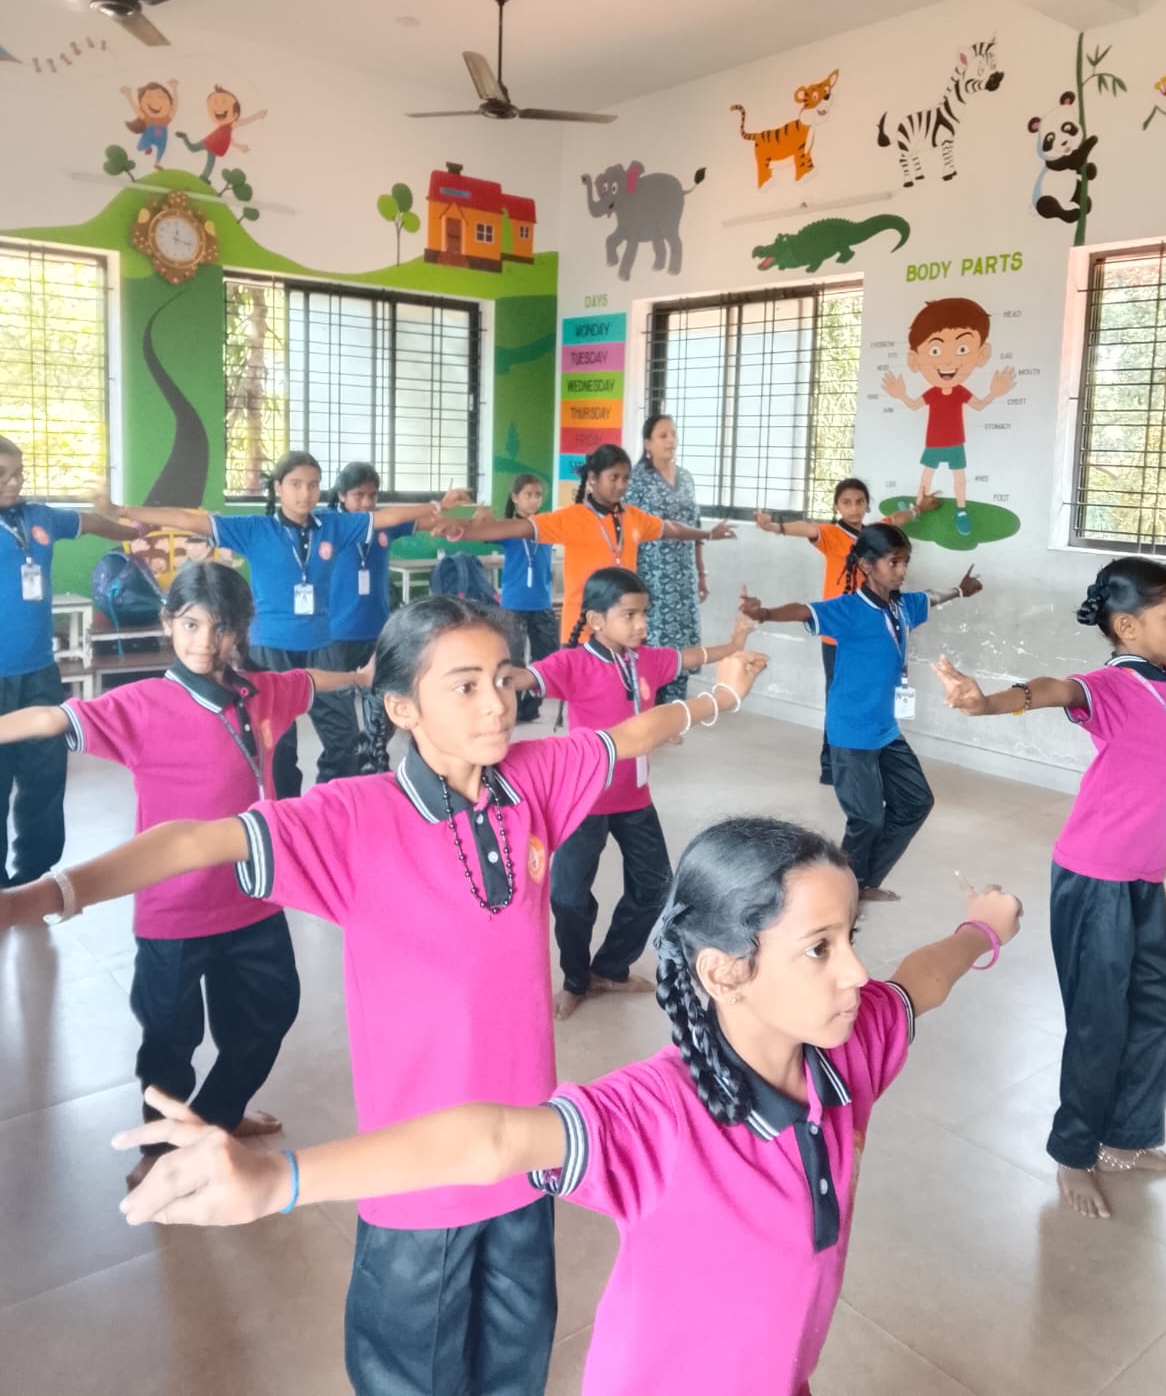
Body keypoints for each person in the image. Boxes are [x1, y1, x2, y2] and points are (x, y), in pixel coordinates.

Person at [2, 596, 766, 1396]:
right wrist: (42, 897)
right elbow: (194, 839)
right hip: (414, 1180)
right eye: (464, 686)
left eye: (503, 679)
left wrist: (723, 695)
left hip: (528, 1153)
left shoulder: (534, 780)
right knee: (412, 1374)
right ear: (402, 707)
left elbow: (622, 739)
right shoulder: (351, 818)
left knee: (515, 1363)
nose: (498, 702)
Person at [112, 818, 1023, 1396]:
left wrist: (983, 928)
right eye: (820, 948)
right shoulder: (660, 1116)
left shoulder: (845, 1056)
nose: (854, 970)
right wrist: (279, 1178)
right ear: (723, 970)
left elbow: (916, 983)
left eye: (851, 936)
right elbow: (493, 1137)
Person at [0, 560, 369, 1186]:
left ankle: (214, 1118)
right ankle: (161, 1153)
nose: (204, 642)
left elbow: (309, 678)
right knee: (170, 1040)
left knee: (269, 1012)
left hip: (258, 895)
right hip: (174, 912)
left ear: (242, 630)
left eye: (221, 628)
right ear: (170, 622)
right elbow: (47, 720)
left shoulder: (261, 691)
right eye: (191, 624)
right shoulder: (143, 704)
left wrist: (360, 675)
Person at [935, 555, 1166, 1221]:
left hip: (1141, 878)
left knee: (1162, 1003)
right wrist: (985, 701)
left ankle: (1127, 1136)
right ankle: (1073, 1154)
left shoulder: (1165, 674)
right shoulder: (1106, 684)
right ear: (1127, 628)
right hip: (1095, 876)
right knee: (1099, 1020)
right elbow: (1053, 689)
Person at [94, 451, 456, 798]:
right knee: (279, 746)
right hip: (269, 650)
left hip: (322, 646)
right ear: (278, 488)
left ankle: (326, 806)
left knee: (343, 738)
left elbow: (389, 518)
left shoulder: (334, 526)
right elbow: (190, 520)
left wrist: (438, 505)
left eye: (313, 485)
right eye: (296, 484)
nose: (306, 493)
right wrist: (121, 511)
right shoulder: (255, 529)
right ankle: (285, 816)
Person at [514, 566, 756, 1019]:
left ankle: (610, 967)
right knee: (569, 897)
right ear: (597, 619)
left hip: (634, 798)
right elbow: (526, 679)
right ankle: (575, 977)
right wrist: (493, 675)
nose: (642, 625)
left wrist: (735, 644)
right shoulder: (572, 664)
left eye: (644, 614)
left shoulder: (644, 659)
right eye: (629, 615)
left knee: (656, 885)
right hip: (581, 801)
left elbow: (691, 656)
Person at [742, 523, 981, 901]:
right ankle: (839, 893)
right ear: (868, 565)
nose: (902, 570)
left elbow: (931, 598)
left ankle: (863, 882)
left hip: (885, 730)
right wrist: (767, 612)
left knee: (917, 803)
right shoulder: (849, 609)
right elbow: (805, 610)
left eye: (905, 562)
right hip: (851, 732)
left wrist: (960, 590)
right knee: (866, 819)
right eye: (893, 563)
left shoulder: (903, 606)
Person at [435, 443, 735, 645]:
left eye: (626, 478)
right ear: (593, 479)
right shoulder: (572, 518)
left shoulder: (633, 518)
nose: (621, 485)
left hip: (624, 628)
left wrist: (706, 534)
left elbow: (669, 528)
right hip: (583, 633)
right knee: (587, 718)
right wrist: (460, 530)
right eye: (613, 477)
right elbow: (515, 526)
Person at [0, 435, 127, 886]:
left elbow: (92, 523)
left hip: (39, 674)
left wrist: (131, 532)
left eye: (19, 474)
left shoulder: (39, 517)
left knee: (45, 775)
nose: (14, 484)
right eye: (3, 476)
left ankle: (35, 876)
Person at [755, 477, 938, 783]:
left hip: (872, 633)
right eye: (846, 502)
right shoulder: (830, 534)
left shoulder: (876, 534)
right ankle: (833, 764)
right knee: (838, 697)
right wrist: (775, 526)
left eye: (860, 502)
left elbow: (898, 518)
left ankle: (872, 754)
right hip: (838, 633)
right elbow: (806, 528)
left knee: (873, 694)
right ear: (837, 506)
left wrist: (919, 508)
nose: (854, 508)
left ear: (867, 504)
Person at [319, 462, 468, 778]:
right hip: (333, 634)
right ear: (341, 495)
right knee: (337, 718)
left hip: (378, 631)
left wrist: (457, 520)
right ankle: (336, 776)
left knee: (384, 707)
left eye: (372, 495)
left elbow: (428, 522)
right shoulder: (330, 524)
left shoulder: (385, 525)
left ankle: (371, 760)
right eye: (358, 495)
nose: (366, 503)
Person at [881, 297, 1016, 537]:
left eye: (962, 349)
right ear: (915, 360)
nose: (948, 360)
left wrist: (995, 393)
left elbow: (980, 406)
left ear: (981, 355)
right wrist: (901, 395)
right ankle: (917, 506)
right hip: (933, 442)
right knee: (926, 475)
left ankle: (961, 511)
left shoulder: (961, 391)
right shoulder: (932, 392)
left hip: (955, 442)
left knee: (959, 478)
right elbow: (913, 406)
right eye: (935, 350)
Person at [625, 414, 705, 706]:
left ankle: (674, 711)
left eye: (673, 434)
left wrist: (701, 572)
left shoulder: (686, 478)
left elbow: (695, 527)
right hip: (651, 577)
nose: (671, 440)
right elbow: (629, 531)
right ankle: (648, 709)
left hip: (683, 578)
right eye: (662, 435)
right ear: (648, 443)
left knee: (682, 642)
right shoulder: (636, 481)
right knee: (652, 643)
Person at [489, 473, 557, 726]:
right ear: (515, 498)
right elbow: (485, 533)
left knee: (547, 657)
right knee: (513, 658)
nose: (533, 500)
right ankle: (513, 706)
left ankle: (532, 706)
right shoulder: (509, 527)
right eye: (528, 495)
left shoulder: (548, 525)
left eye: (538, 495)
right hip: (514, 605)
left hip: (542, 603)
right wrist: (483, 518)